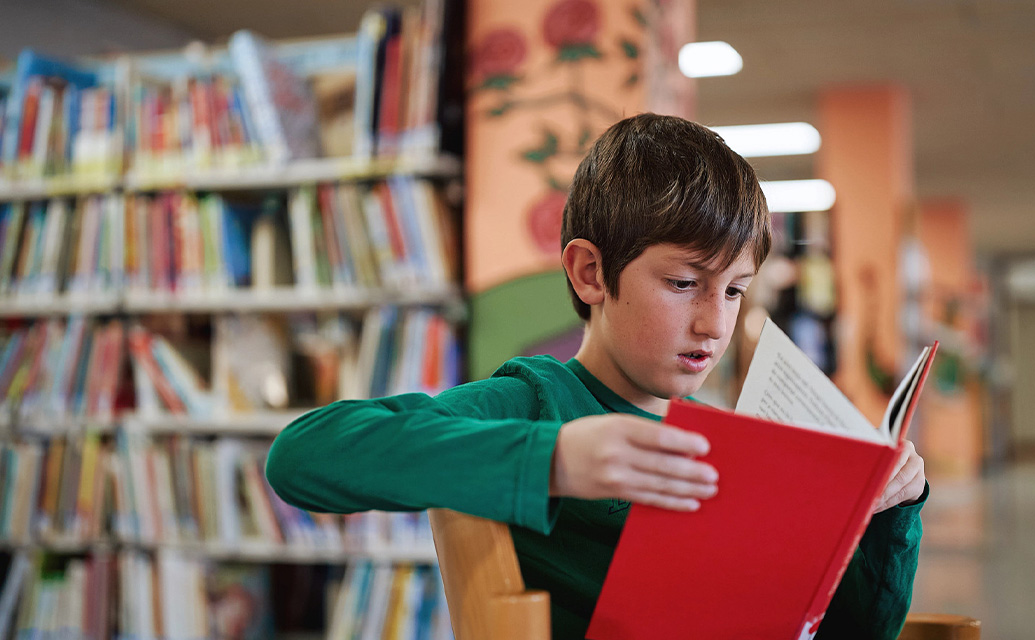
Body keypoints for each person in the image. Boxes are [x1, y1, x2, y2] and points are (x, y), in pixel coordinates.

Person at [266, 113, 928, 640]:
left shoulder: (728, 441)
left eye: (734, 292)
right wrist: (552, 459)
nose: (714, 324)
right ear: (590, 273)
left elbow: (856, 630)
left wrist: (891, 512)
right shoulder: (537, 401)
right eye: (683, 283)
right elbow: (302, 455)